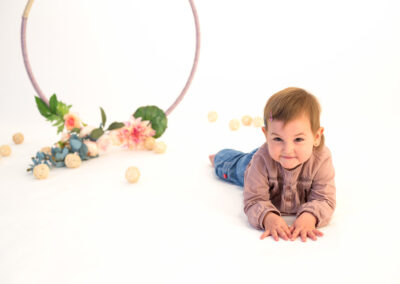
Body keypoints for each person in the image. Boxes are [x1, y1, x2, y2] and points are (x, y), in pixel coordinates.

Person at [209, 87, 336, 242]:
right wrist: (268, 217)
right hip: (254, 165)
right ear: (266, 135)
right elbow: (254, 200)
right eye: (277, 139)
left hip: (272, 157)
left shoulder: (321, 160)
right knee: (235, 167)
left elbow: (324, 199)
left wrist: (310, 216)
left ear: (316, 137)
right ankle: (220, 158)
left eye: (298, 139)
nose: (287, 150)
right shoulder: (259, 161)